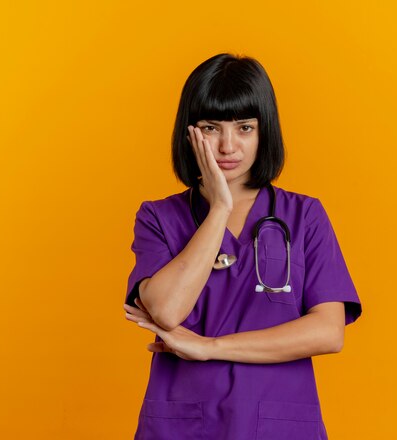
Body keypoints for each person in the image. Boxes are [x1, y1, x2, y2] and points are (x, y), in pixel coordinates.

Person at [123, 53, 362, 440]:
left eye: (245, 127)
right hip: (184, 425)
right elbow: (167, 311)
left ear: (264, 131)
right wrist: (219, 207)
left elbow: (328, 333)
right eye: (211, 128)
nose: (228, 145)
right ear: (189, 132)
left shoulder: (304, 216)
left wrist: (210, 347)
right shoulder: (158, 218)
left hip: (278, 424)